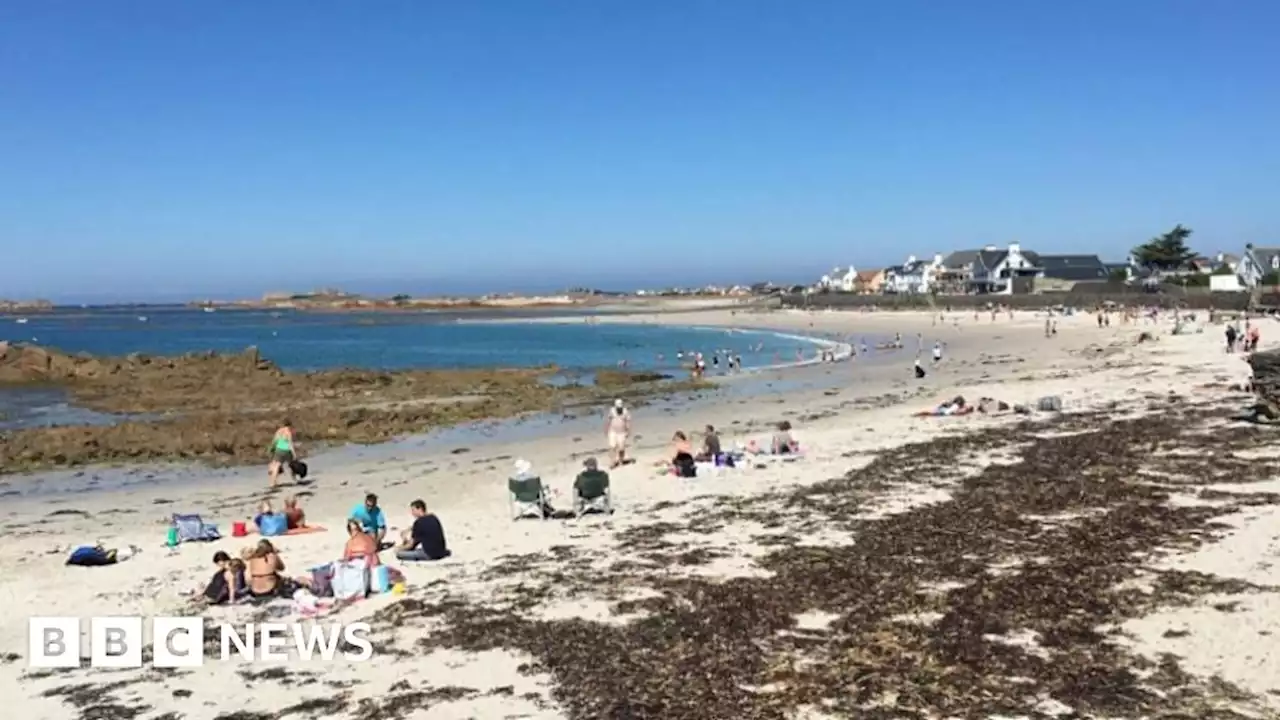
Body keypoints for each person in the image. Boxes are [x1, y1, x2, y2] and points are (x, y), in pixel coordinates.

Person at [268, 420, 298, 488]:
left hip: (278, 450)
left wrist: (272, 449)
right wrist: (294, 454)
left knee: (276, 465)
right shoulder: (288, 432)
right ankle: (294, 479)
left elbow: (274, 441)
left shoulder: (279, 431)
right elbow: (290, 443)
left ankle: (273, 482)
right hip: (286, 450)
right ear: (289, 425)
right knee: (291, 465)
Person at [606, 399, 632, 469]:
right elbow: (609, 420)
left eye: (620, 407)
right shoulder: (612, 410)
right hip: (613, 431)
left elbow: (628, 422)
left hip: (622, 432)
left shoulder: (625, 411)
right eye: (618, 407)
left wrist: (628, 431)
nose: (619, 409)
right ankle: (612, 462)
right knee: (612, 447)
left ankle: (621, 461)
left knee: (621, 448)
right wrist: (606, 429)